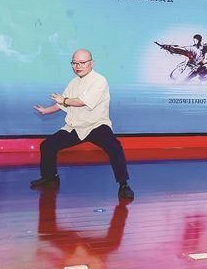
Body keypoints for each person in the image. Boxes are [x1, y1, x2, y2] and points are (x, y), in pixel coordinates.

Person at [31, 49, 134, 199]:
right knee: (47, 145)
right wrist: (46, 110)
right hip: (75, 126)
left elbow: (80, 102)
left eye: (82, 63)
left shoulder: (99, 80)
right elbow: (62, 103)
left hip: (96, 125)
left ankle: (124, 185)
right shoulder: (73, 82)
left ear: (91, 63)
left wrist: (64, 100)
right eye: (74, 63)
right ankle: (50, 177)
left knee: (114, 147)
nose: (78, 66)